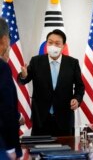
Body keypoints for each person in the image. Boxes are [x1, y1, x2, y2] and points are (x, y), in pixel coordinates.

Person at [17, 29, 85, 136]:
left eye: (57, 43)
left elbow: (80, 87)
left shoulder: (72, 63)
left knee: (65, 151)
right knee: (38, 151)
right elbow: (23, 80)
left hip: (64, 119)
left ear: (63, 46)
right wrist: (23, 75)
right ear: (46, 44)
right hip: (41, 119)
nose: (53, 45)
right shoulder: (36, 61)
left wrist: (77, 99)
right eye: (50, 42)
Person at [0, 17, 22, 159]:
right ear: (3, 39)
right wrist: (10, 148)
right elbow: (5, 109)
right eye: (9, 37)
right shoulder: (2, 68)